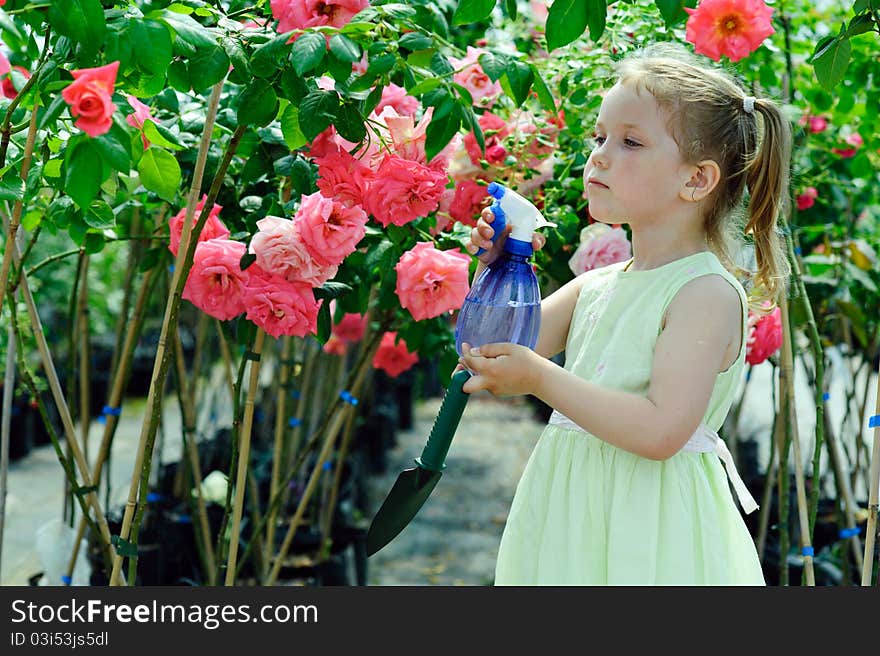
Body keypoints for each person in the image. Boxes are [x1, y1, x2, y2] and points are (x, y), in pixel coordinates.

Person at [459, 42, 792, 585]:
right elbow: (487, 349)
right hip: (575, 519)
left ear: (696, 180)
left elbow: (662, 431)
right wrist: (502, 268)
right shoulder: (596, 285)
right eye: (600, 137)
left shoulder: (703, 293)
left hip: (652, 532)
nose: (600, 155)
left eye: (631, 142)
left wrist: (541, 378)